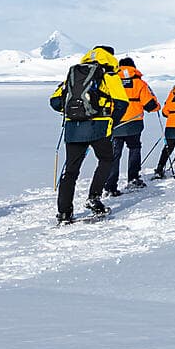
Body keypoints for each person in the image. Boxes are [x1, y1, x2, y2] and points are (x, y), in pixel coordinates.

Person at [50, 46, 130, 224]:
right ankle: (94, 197)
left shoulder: (74, 74)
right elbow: (122, 103)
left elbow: (55, 101)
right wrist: (111, 122)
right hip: (99, 126)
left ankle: (64, 213)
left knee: (70, 171)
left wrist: (75, 112)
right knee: (106, 160)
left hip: (73, 128)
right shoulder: (109, 75)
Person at [112, 58, 160, 191]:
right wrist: (157, 107)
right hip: (134, 122)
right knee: (134, 148)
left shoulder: (112, 81)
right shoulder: (140, 83)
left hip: (115, 123)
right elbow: (150, 104)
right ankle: (133, 178)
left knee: (114, 154)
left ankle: (110, 185)